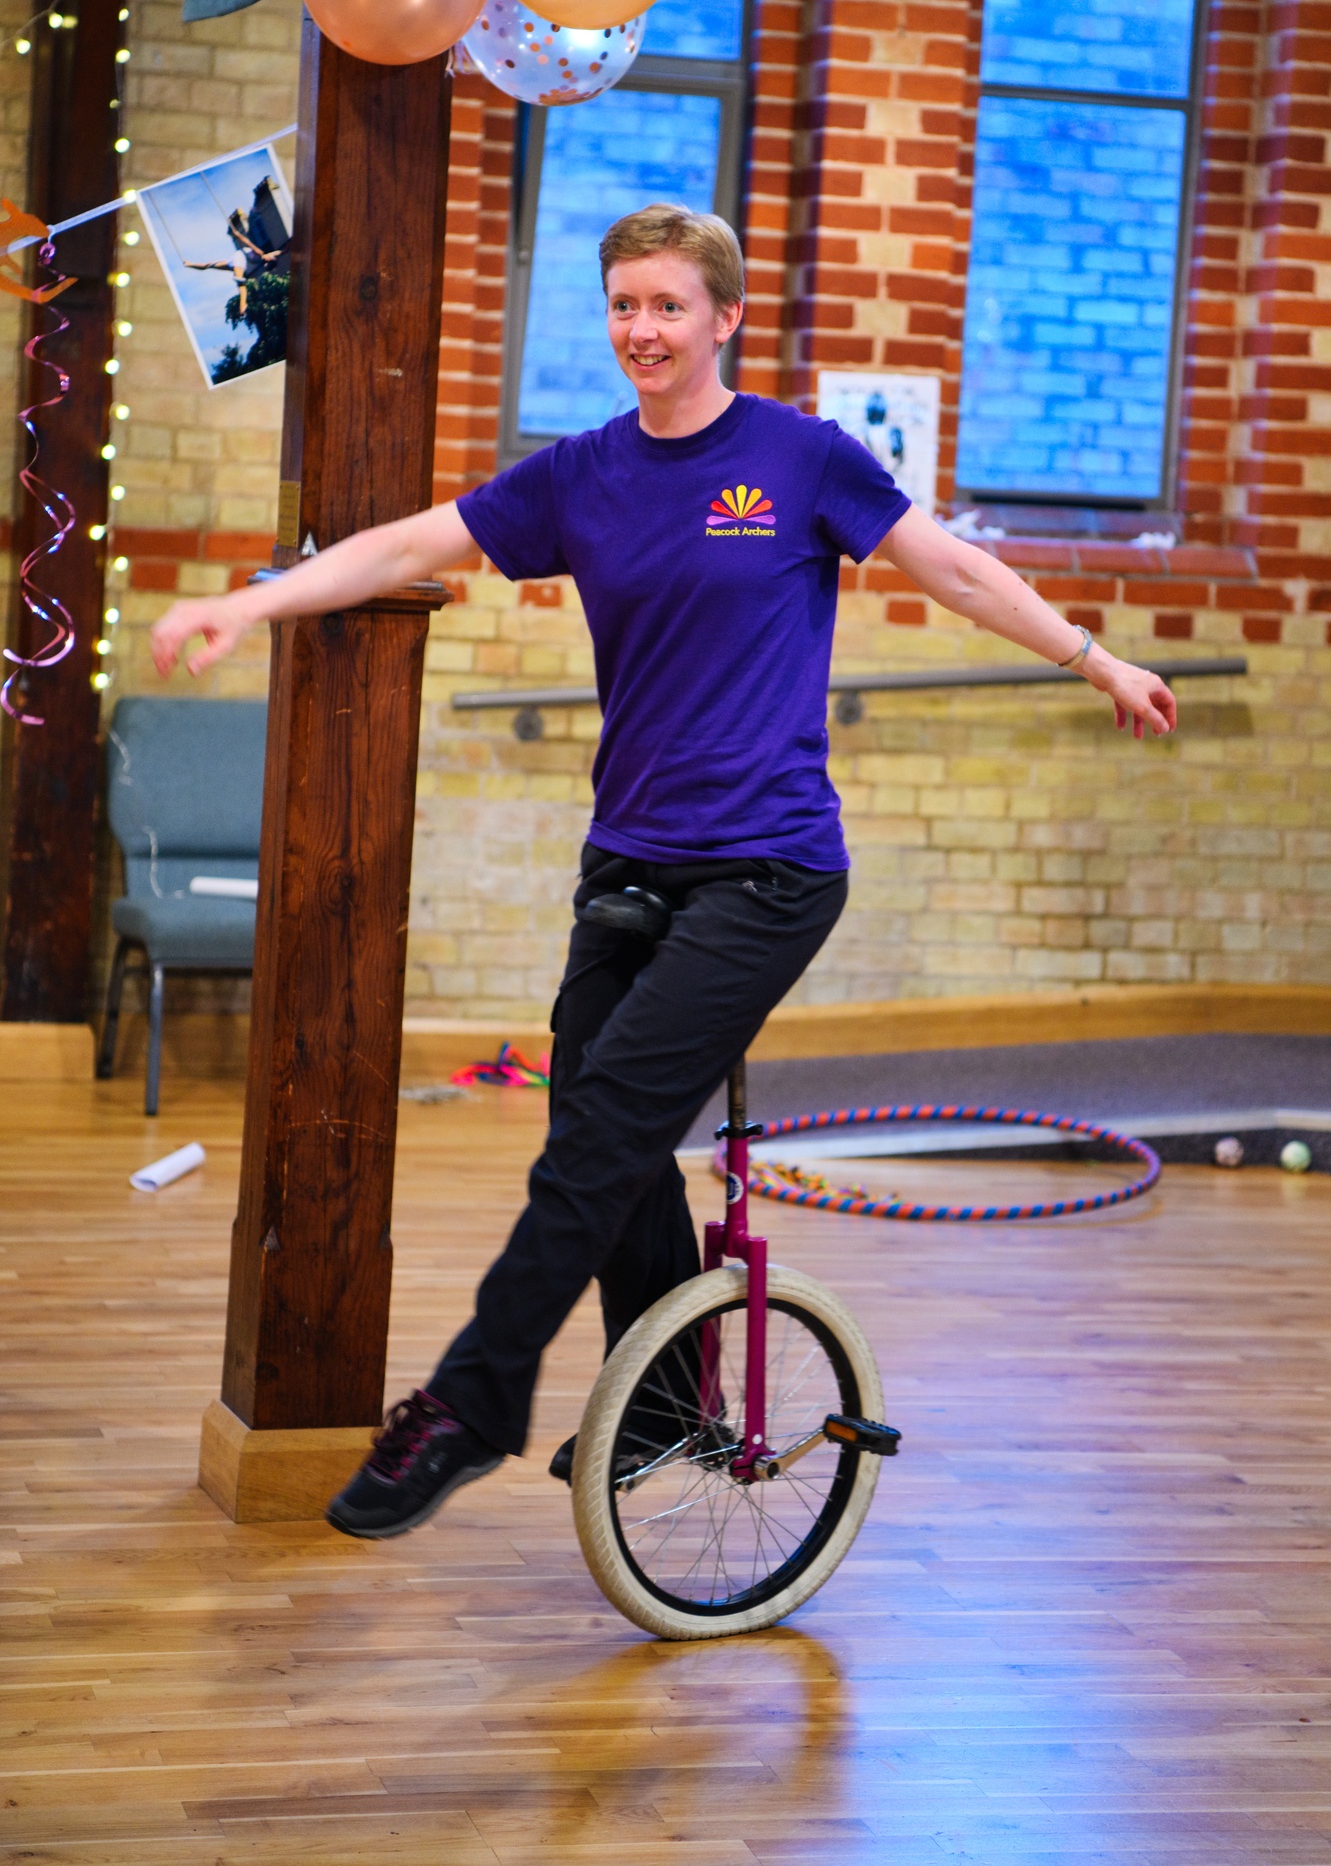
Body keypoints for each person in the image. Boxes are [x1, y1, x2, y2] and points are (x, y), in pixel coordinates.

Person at [150, 202, 1176, 1540]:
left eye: (669, 306)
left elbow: (958, 574)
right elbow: (407, 547)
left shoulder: (800, 459)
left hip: (769, 870)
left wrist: (1097, 659)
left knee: (599, 1139)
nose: (643, 329)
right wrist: (250, 602)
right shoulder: (582, 474)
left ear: (724, 318)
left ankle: (468, 1404)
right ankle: (670, 1400)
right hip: (629, 858)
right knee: (596, 1125)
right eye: (625, 305)